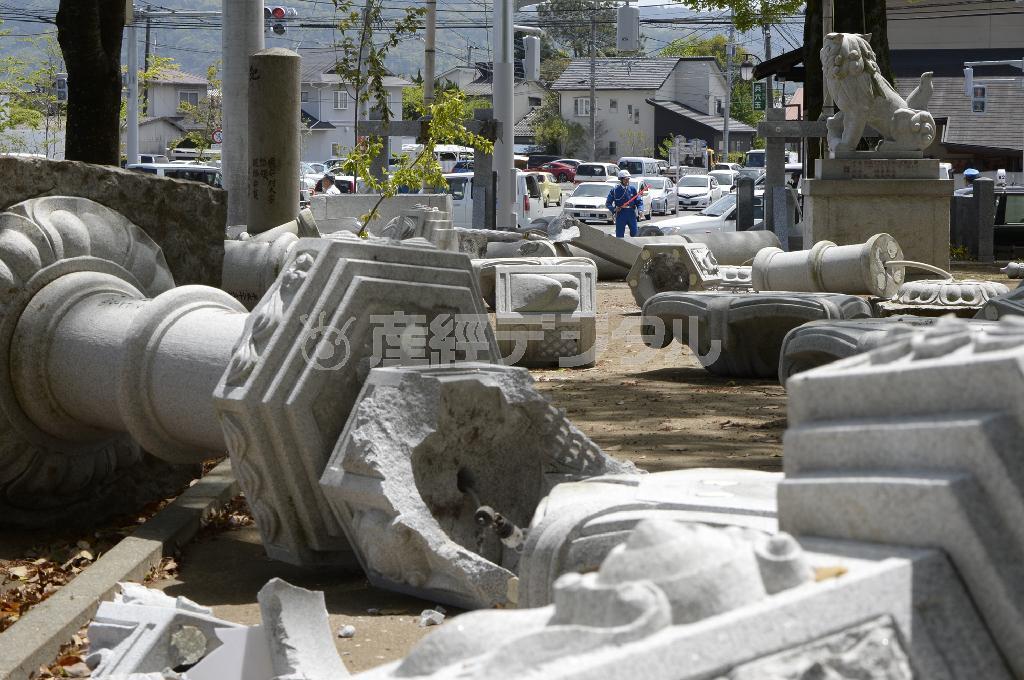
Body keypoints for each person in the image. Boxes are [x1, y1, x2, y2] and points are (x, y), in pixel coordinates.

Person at [606, 170, 643, 238]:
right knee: (619, 235)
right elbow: (608, 203)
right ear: (621, 179)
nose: (627, 181)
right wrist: (614, 209)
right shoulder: (614, 190)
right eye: (625, 179)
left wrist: (640, 210)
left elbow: (639, 201)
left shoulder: (632, 189)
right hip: (621, 214)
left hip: (631, 213)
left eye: (628, 179)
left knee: (635, 233)